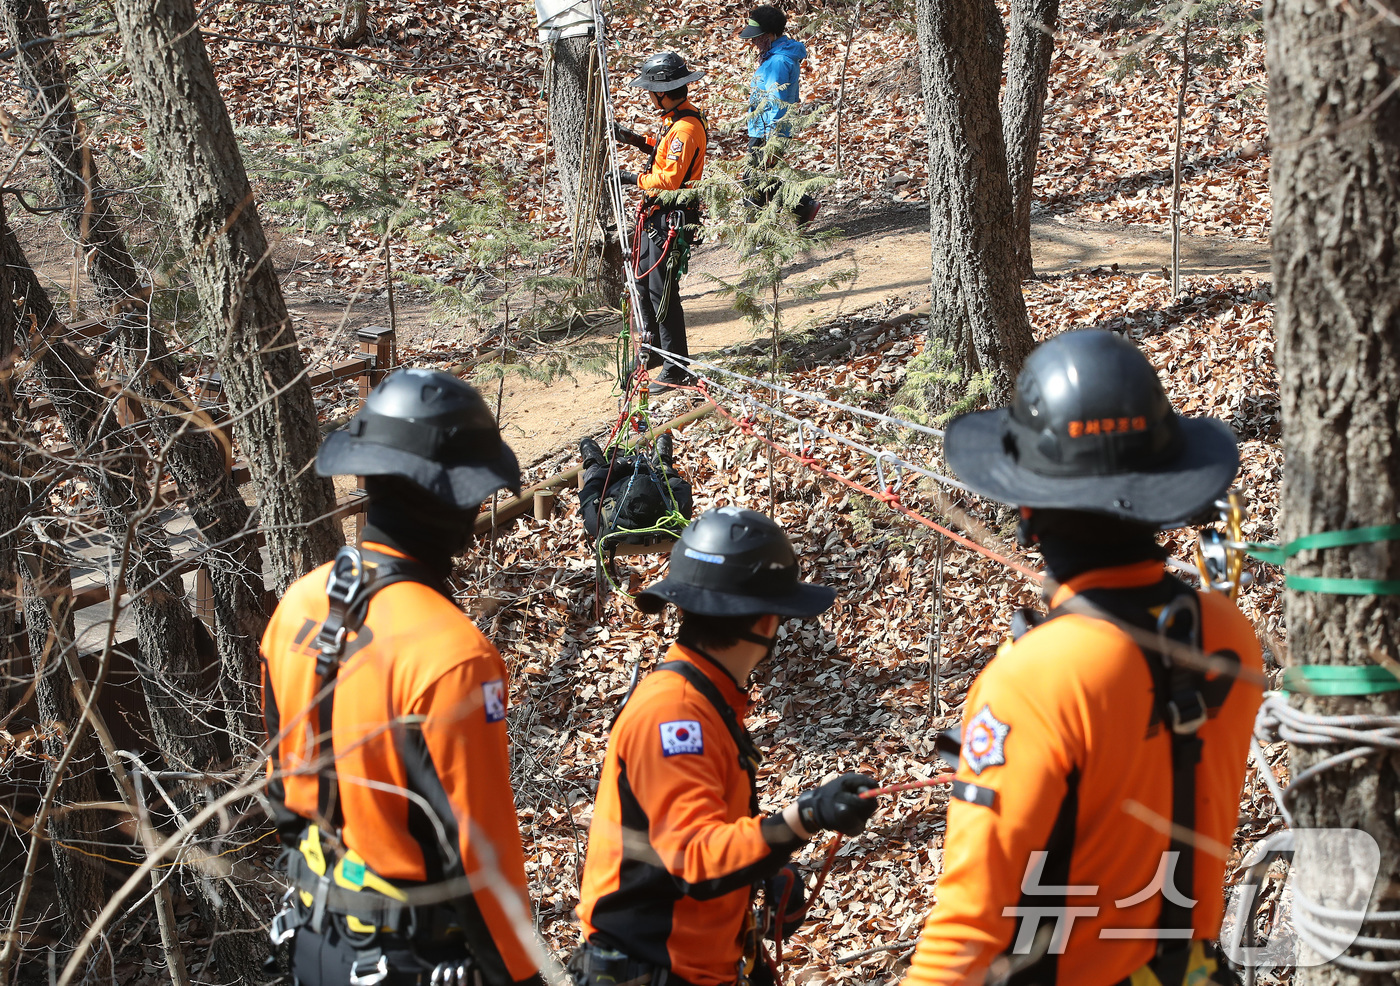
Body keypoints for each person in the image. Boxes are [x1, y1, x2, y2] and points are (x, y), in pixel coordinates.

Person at [902, 330, 1263, 986]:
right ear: (1160, 488)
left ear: (1028, 505)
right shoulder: (1228, 635)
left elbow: (966, 929)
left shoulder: (1036, 679)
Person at [260, 368, 544, 986]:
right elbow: (479, 857)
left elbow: (282, 788)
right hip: (413, 960)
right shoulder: (451, 656)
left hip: (314, 936)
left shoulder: (299, 605)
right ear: (455, 497)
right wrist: (520, 975)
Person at [571, 507, 880, 986]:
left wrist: (764, 876)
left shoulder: (708, 700)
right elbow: (695, 858)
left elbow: (693, 838)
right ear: (761, 620)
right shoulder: (674, 715)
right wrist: (803, 820)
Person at [612, 52, 708, 393]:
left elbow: (668, 177)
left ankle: (676, 366)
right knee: (642, 286)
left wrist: (631, 178)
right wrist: (636, 140)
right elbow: (664, 152)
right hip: (657, 215)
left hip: (670, 217)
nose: (649, 95)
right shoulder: (674, 120)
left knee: (662, 292)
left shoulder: (685, 127)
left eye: (651, 90)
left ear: (663, 92)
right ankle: (653, 350)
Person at [739, 6, 818, 226]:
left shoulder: (778, 62)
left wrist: (772, 141)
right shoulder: (774, 56)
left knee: (754, 181)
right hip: (761, 128)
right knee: (763, 179)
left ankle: (758, 232)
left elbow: (778, 103)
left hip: (769, 132)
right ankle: (804, 206)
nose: (753, 42)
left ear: (771, 35)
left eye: (758, 37)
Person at [578, 431, 693, 544]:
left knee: (592, 472)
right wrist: (654, 469)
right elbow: (678, 483)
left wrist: (616, 466)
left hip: (614, 483)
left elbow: (591, 488)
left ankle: (593, 459)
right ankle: (660, 459)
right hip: (651, 481)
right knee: (665, 468)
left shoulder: (599, 523)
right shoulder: (675, 515)